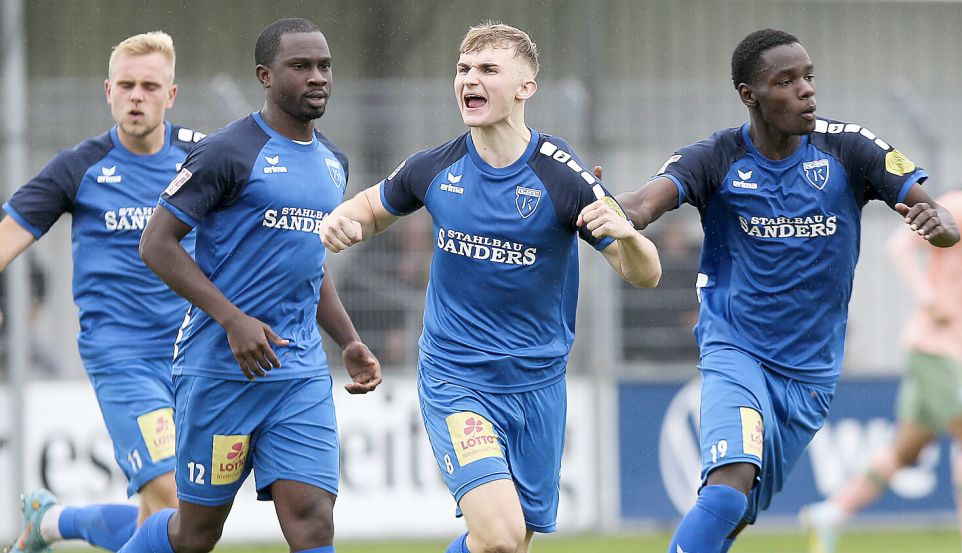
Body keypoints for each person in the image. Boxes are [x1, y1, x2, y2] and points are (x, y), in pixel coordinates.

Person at [613, 28, 961, 553]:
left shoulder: (850, 149)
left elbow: (941, 215)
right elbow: (642, 203)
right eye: (787, 80)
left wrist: (939, 221)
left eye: (809, 77)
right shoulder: (717, 157)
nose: (806, 91)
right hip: (737, 350)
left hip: (811, 373)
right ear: (749, 95)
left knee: (734, 515)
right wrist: (597, 208)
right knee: (728, 492)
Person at [319, 21, 662, 553]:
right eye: (462, 69)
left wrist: (629, 234)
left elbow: (645, 274)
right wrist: (344, 216)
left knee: (511, 544)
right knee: (499, 537)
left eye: (487, 70)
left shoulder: (562, 177)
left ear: (526, 88)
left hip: (537, 385)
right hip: (458, 379)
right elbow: (370, 206)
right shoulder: (437, 166)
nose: (469, 80)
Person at [115, 18, 382, 553]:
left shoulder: (334, 161)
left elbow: (309, 263)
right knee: (196, 536)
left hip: (298, 371)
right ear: (266, 75)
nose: (317, 77)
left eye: (324, 66)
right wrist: (232, 319)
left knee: (313, 520)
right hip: (220, 368)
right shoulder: (226, 151)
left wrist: (348, 339)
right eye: (300, 66)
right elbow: (157, 244)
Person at [1, 31, 200, 553]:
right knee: (179, 502)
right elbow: (7, 234)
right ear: (108, 91)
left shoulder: (203, 159)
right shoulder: (79, 167)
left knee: (160, 519)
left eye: (150, 86)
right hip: (122, 355)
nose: (137, 96)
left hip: (194, 354)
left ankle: (52, 522)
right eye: (127, 85)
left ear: (171, 95)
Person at [800, 185, 962, 553]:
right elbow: (900, 244)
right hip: (937, 348)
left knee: (906, 451)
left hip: (950, 351)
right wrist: (926, 296)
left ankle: (830, 513)